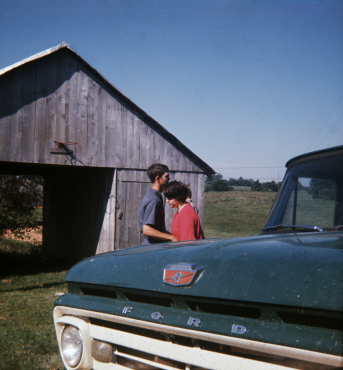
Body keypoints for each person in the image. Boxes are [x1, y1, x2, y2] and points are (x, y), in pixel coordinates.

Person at [139, 164, 178, 245]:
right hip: (152, 248)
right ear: (157, 178)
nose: (169, 179)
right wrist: (171, 237)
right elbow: (146, 229)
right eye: (166, 176)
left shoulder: (154, 197)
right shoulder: (154, 200)